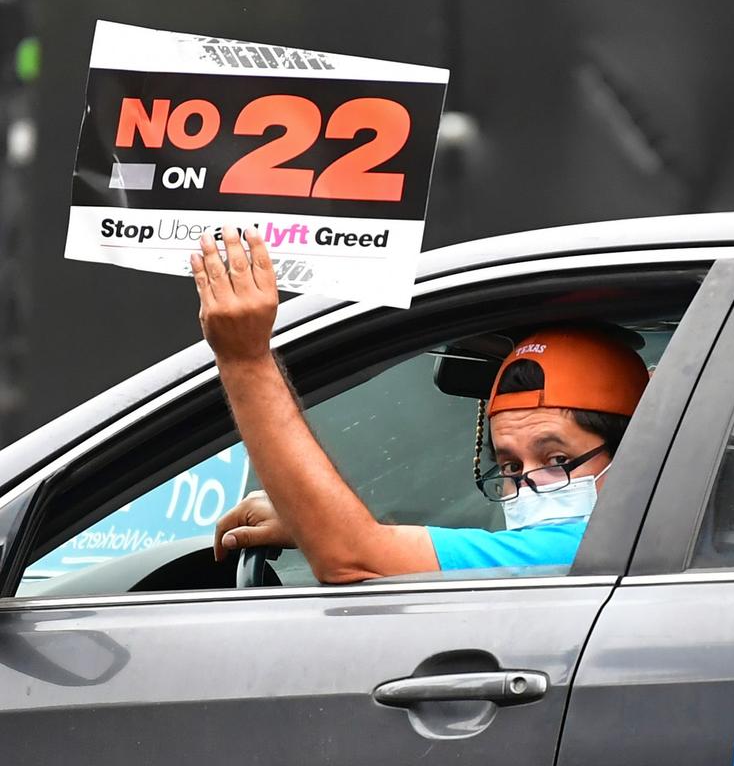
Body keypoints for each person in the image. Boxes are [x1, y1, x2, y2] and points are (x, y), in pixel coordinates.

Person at [189, 226, 650, 582]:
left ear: (635, 457)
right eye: (509, 468)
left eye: (557, 459)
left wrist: (244, 358)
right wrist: (309, 522)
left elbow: (351, 556)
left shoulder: (581, 549)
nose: (528, 487)